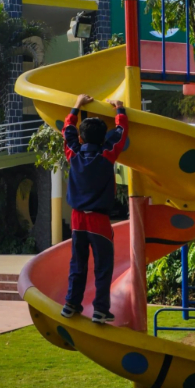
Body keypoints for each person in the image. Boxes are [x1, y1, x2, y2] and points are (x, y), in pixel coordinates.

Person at [60, 93, 128, 324]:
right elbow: (120, 134)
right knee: (103, 266)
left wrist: (77, 105)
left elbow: (67, 129)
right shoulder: (106, 155)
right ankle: (100, 309)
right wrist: (119, 110)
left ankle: (71, 304)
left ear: (81, 137)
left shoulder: (74, 154)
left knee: (77, 263)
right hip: (98, 219)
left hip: (78, 218)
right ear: (102, 140)